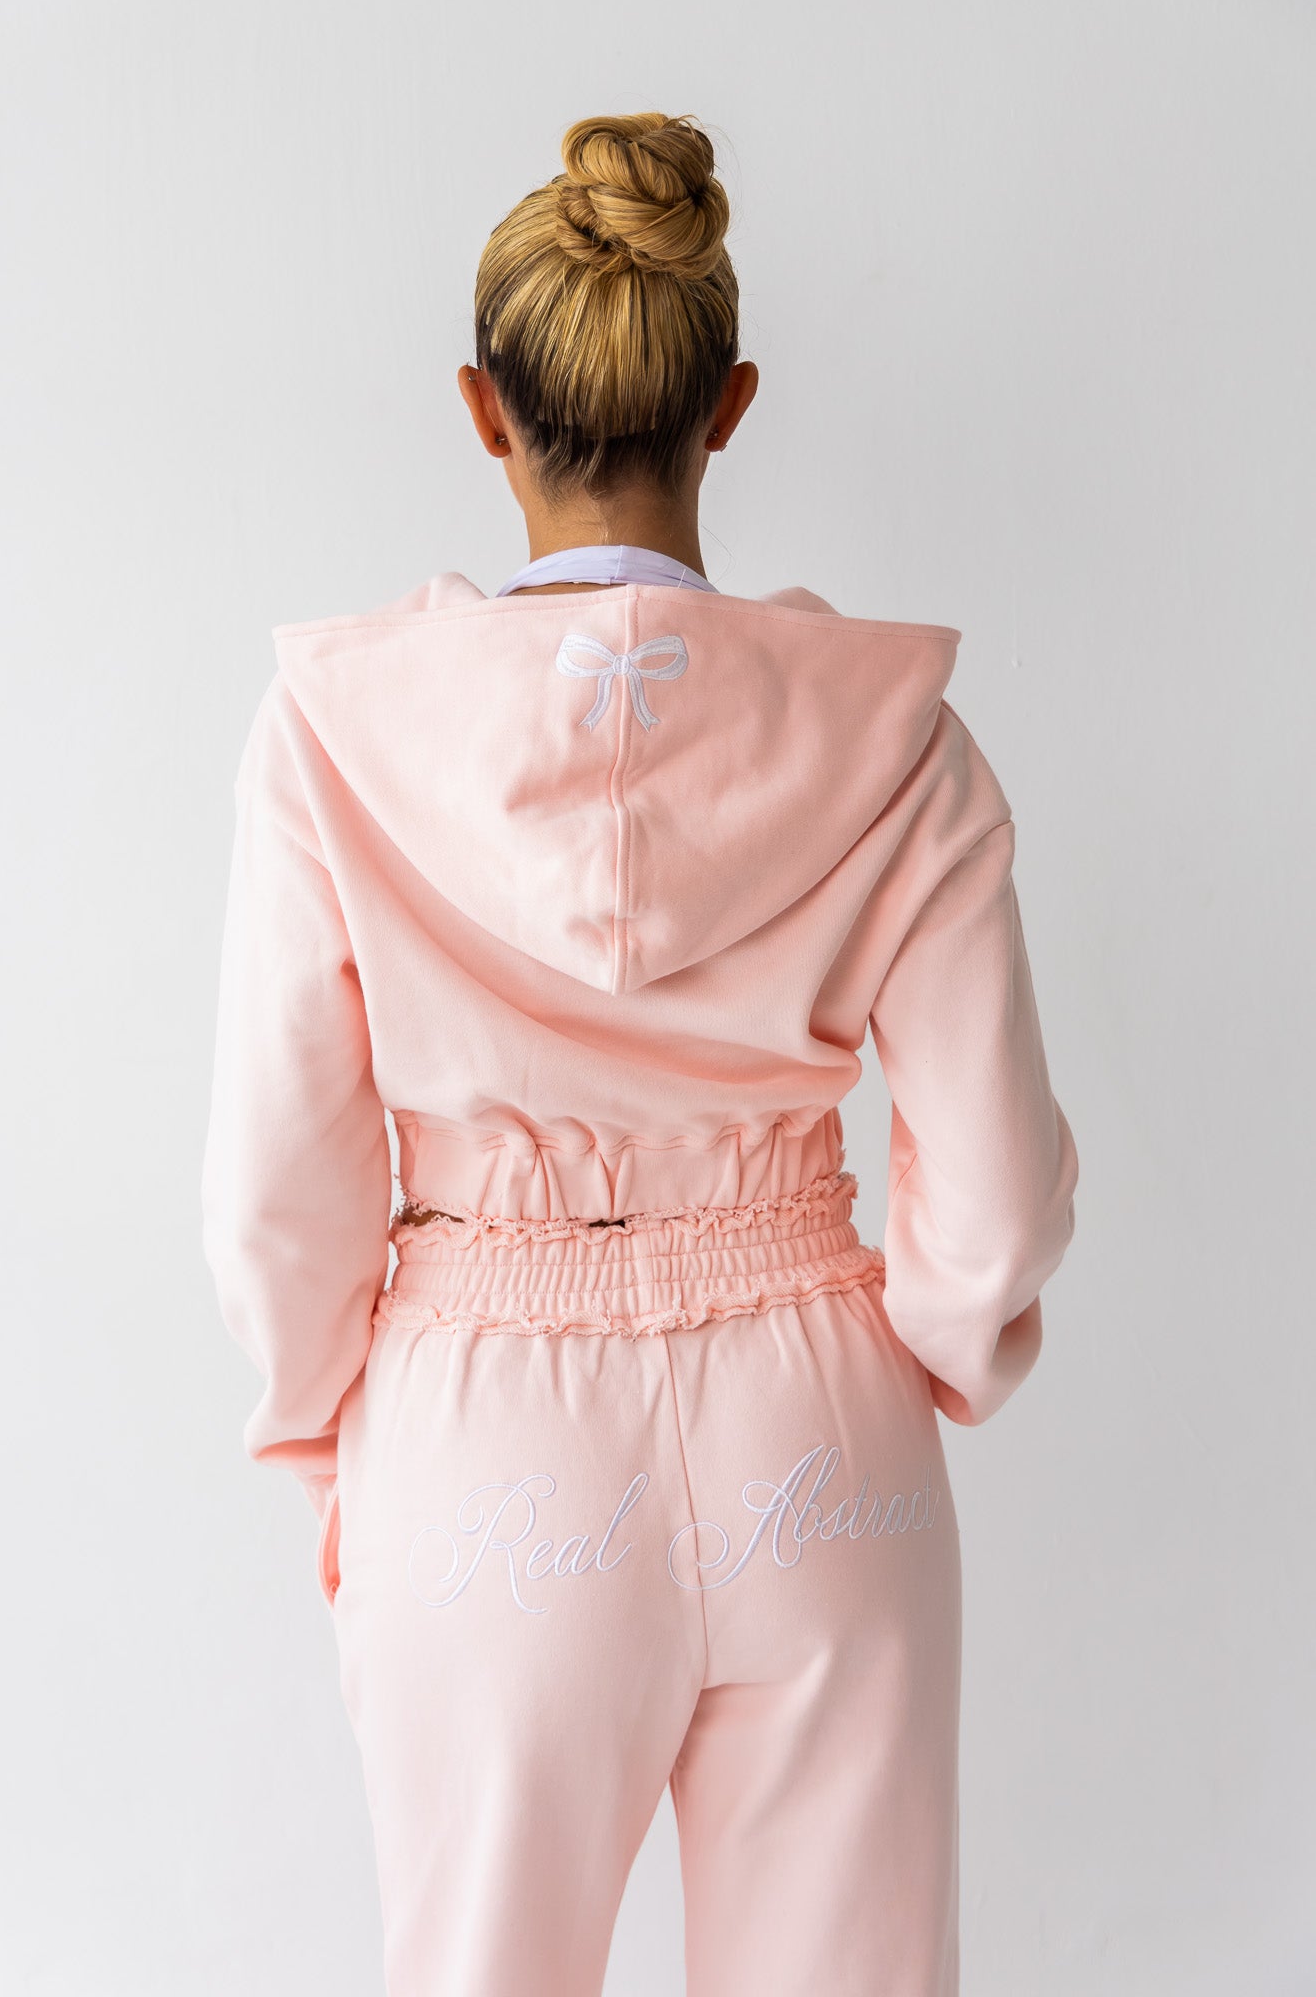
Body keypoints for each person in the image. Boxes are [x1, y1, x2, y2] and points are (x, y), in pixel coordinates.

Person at [200, 109, 1078, 1997]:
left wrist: (334, 1444)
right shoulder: (898, 742)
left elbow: (278, 1179)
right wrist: (916, 1354)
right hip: (817, 1431)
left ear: (483, 411)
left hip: (480, 1443)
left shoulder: (334, 735)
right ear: (726, 405)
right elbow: (996, 1195)